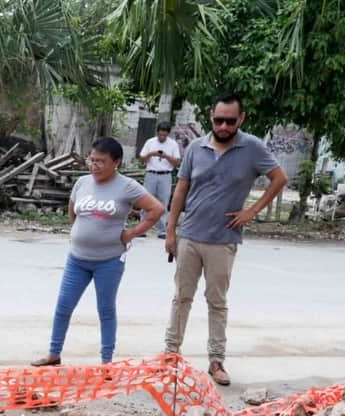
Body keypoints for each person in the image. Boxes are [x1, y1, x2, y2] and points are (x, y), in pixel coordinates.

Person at [164, 92, 288, 386]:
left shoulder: (252, 148)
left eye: (230, 121)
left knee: (216, 301)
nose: (223, 126)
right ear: (211, 117)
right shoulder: (195, 148)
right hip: (190, 235)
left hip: (223, 239)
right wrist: (170, 230)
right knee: (181, 298)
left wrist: (252, 211)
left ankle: (216, 360)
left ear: (241, 119)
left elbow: (280, 178)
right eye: (218, 120)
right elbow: (181, 190)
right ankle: (170, 355)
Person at [31, 137, 165, 368]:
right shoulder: (82, 183)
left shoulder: (127, 186)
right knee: (63, 306)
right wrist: (81, 232)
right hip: (77, 259)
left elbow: (156, 209)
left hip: (109, 261)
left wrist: (131, 233)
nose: (94, 165)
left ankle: (106, 362)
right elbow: (73, 210)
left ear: (116, 162)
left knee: (105, 310)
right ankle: (54, 354)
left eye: (101, 161)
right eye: (91, 160)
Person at [138, 121, 181, 238]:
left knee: (163, 203)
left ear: (168, 134)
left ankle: (162, 231)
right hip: (151, 174)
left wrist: (166, 156)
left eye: (164, 135)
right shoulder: (150, 142)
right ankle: (142, 229)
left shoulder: (173, 144)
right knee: (146, 201)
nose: (162, 137)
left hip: (165, 175)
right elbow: (142, 159)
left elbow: (177, 162)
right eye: (160, 134)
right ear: (157, 132)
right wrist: (151, 154)